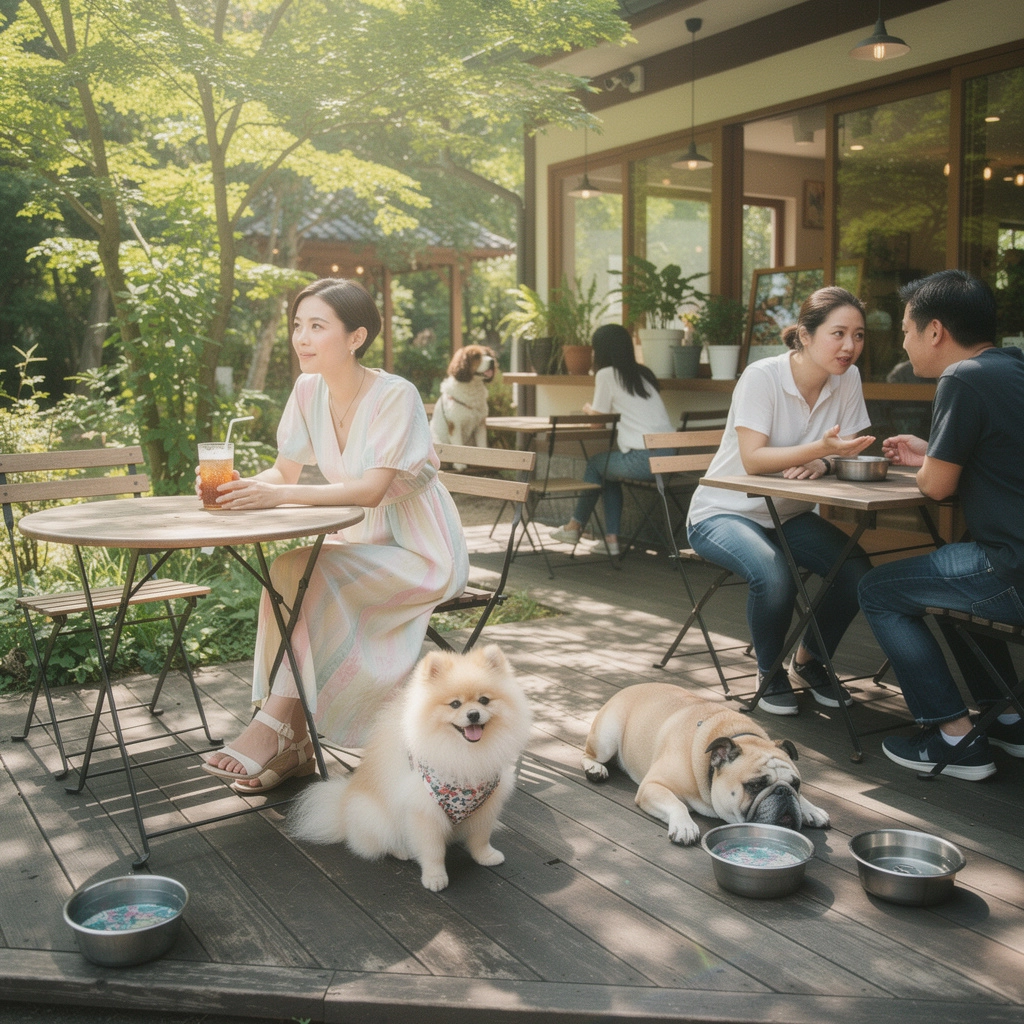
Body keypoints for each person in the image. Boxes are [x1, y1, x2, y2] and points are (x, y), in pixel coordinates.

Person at [201, 278, 469, 792]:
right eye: (298, 326)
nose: (302, 338)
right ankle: (294, 745)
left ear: (355, 337)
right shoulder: (307, 391)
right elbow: (284, 474)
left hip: (421, 550)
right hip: (363, 542)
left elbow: (369, 491)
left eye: (317, 327)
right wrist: (238, 487)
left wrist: (277, 497)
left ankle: (274, 727)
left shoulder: (396, 395)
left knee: (312, 574)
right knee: (287, 568)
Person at [859, 269, 1024, 780]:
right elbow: (998, 457)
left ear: (935, 331)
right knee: (946, 589)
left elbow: (936, 488)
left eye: (907, 330)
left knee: (878, 589)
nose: (904, 343)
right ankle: (1009, 719)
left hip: (1011, 570)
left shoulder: (963, 377)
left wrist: (931, 466)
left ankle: (956, 740)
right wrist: (934, 453)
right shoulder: (1012, 367)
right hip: (1011, 561)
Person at [686, 287, 875, 715]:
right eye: (839, 333)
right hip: (722, 512)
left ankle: (808, 660)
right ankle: (769, 672)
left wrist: (825, 463)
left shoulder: (848, 379)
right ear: (805, 335)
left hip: (786, 512)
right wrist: (820, 450)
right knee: (774, 574)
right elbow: (753, 460)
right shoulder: (762, 376)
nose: (850, 346)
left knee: (856, 570)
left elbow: (850, 450)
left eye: (859, 335)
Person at [549, 324, 675, 557]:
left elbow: (597, 423)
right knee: (608, 469)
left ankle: (575, 527)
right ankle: (610, 540)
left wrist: (588, 409)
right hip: (673, 458)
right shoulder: (643, 374)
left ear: (601, 350)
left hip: (644, 459)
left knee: (597, 464)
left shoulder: (607, 375)